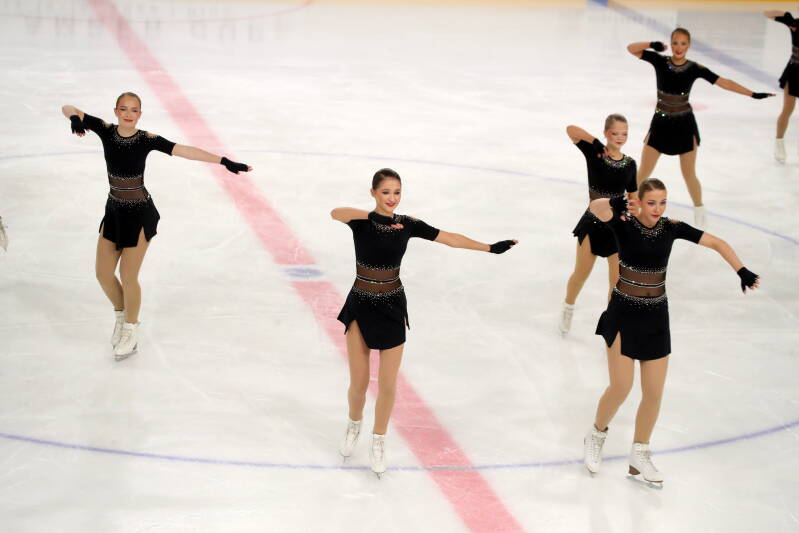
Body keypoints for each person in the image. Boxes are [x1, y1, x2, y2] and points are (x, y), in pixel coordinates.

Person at [331, 168, 517, 477]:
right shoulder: (361, 222)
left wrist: (489, 247)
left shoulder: (409, 225)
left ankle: (378, 439)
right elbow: (335, 212)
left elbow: (450, 239)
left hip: (391, 305)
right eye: (386, 192)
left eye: (397, 192)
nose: (392, 198)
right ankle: (354, 424)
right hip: (360, 304)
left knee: (388, 385)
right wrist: (371, 217)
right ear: (374, 192)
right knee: (360, 383)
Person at [582, 178, 759, 485]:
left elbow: (717, 242)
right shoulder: (623, 222)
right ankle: (596, 434)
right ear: (640, 202)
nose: (658, 209)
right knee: (621, 387)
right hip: (624, 312)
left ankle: (640, 454)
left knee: (653, 393)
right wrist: (614, 203)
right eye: (652, 203)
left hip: (655, 317)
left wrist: (740, 269)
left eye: (663, 202)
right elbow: (593, 208)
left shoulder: (671, 227)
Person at [61, 92, 251, 360]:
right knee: (103, 274)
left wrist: (222, 160)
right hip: (113, 211)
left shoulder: (145, 140)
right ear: (116, 111)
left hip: (140, 213)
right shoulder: (104, 130)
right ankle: (121, 315)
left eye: (134, 110)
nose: (129, 114)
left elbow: (183, 150)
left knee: (128, 277)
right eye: (124, 109)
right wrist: (75, 119)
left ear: (140, 114)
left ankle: (131, 329)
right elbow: (68, 106)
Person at [627, 28, 774, 228]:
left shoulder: (694, 68)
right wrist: (652, 45)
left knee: (689, 174)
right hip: (661, 124)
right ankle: (628, 206)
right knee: (644, 170)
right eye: (676, 43)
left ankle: (699, 209)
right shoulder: (660, 61)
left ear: (689, 45)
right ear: (671, 43)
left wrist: (753, 94)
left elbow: (725, 82)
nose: (679, 48)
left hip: (684, 125)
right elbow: (631, 48)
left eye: (683, 43)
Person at [560, 114, 637, 334]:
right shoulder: (596, 153)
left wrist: (635, 221)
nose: (620, 137)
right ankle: (568, 306)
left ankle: (611, 325)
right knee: (581, 275)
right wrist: (595, 143)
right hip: (593, 224)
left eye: (624, 134)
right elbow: (570, 128)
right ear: (606, 133)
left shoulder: (630, 163)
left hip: (618, 226)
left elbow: (633, 195)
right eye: (615, 133)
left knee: (616, 283)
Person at [765, 10, 798, 162]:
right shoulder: (796, 24)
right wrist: (786, 15)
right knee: (787, 110)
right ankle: (779, 143)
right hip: (795, 71)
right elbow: (767, 13)